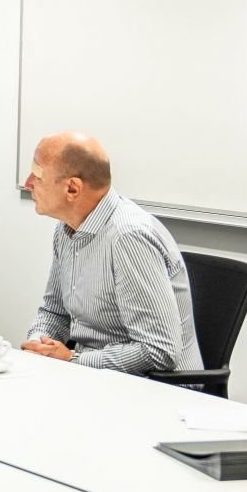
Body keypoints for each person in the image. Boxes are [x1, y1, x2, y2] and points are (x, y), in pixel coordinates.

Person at [20, 130, 200, 374]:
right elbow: (54, 312)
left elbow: (159, 351)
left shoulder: (129, 236)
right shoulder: (66, 229)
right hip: (91, 375)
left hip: (156, 386)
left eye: (38, 175)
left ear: (72, 189)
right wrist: (39, 345)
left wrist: (73, 359)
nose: (28, 183)